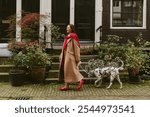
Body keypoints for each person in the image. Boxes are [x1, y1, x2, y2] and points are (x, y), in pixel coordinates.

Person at [58, 24, 84, 91]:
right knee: (66, 70)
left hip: (70, 57)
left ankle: (80, 80)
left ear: (71, 29)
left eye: (68, 28)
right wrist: (61, 55)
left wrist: (77, 58)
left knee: (72, 71)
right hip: (65, 56)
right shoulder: (67, 37)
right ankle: (66, 85)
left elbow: (76, 48)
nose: (66, 29)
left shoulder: (73, 37)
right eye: (66, 27)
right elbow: (64, 47)